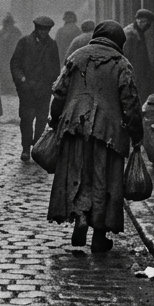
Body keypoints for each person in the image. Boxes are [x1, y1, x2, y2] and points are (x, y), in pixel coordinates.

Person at [46, 21, 144, 253]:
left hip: (75, 128)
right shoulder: (121, 63)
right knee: (105, 180)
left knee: (78, 173)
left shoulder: (77, 56)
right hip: (109, 133)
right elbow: (130, 102)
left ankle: (80, 217)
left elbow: (59, 92)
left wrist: (55, 118)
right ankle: (99, 236)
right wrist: (136, 135)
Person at [10, 16, 61, 161]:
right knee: (26, 119)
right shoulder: (25, 42)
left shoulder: (52, 45)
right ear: (36, 29)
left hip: (44, 89)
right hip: (27, 90)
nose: (44, 32)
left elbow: (56, 67)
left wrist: (51, 83)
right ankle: (26, 148)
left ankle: (37, 148)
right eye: (41, 29)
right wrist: (22, 80)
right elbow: (15, 64)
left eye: (47, 30)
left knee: (42, 119)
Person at [123, 8, 154, 104]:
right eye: (145, 22)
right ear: (138, 20)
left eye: (148, 23)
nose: (147, 26)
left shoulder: (137, 32)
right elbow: (131, 57)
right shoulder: (131, 34)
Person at [0, 14, 22, 94]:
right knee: (3, 73)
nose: (8, 25)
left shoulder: (16, 32)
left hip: (13, 56)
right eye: (7, 23)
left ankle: (13, 88)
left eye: (10, 23)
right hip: (3, 57)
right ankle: (4, 88)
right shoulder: (1, 33)